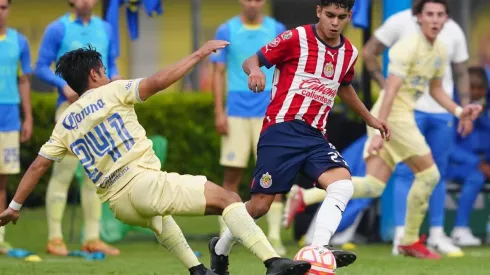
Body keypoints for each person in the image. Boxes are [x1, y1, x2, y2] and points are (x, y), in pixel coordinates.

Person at [0, 44, 312, 275]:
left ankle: (198, 270)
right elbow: (158, 81)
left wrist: (14, 207)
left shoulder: (65, 121)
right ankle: (274, 263)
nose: (109, 75)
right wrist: (199, 54)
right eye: (104, 70)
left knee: (160, 221)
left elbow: (39, 165)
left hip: (119, 205)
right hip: (141, 183)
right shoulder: (112, 91)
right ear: (94, 74)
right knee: (227, 197)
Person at [208, 1, 391, 274]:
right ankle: (220, 248)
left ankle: (317, 249)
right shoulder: (296, 38)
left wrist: (370, 118)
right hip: (281, 131)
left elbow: (344, 87)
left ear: (349, 17)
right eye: (329, 15)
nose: (334, 22)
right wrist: (256, 71)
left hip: (315, 135)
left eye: (341, 17)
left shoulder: (349, 52)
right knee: (259, 207)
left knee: (342, 184)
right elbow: (252, 59)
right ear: (319, 11)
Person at [284, 0, 473, 257]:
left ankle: (304, 197)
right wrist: (377, 133)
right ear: (418, 18)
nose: (435, 20)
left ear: (447, 19)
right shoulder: (407, 47)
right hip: (393, 117)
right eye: (429, 14)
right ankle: (408, 240)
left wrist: (461, 111)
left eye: (440, 15)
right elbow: (390, 91)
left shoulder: (440, 48)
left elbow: (437, 90)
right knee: (430, 175)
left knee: (373, 186)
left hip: (397, 117)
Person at [34, 0, 120, 256]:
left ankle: (92, 238)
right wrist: (62, 85)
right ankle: (55, 238)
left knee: (96, 177)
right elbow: (40, 67)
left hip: (100, 111)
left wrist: (114, 82)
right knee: (63, 174)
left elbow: (112, 64)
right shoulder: (57, 29)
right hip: (69, 112)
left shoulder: (106, 27)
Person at [210, 0, 287, 255]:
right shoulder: (226, 30)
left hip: (269, 112)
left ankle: (275, 237)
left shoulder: (277, 28)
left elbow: (286, 70)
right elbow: (218, 73)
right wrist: (220, 111)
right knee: (232, 175)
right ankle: (225, 236)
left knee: (273, 174)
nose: (252, 3)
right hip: (236, 112)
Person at [0, 0, 33, 254]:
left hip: (9, 117)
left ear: (9, 10)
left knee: (2, 181)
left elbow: (23, 81)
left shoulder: (20, 42)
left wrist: (28, 117)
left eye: (3, 7)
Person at [448, 67, 490, 246]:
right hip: (454, 164)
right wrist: (477, 162)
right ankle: (460, 229)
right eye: (473, 87)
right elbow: (447, 147)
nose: (477, 92)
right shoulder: (455, 109)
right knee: (476, 177)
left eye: (481, 88)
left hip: (483, 163)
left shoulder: (484, 109)